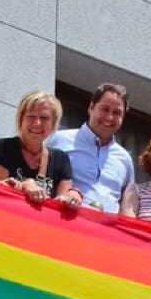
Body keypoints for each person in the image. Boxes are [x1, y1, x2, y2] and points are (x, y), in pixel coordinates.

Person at [0, 91, 83, 206]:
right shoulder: (4, 147)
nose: (37, 123)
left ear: (53, 123)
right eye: (31, 116)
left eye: (44, 118)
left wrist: (74, 195)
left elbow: (61, 206)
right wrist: (23, 186)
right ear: (21, 119)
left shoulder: (61, 159)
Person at [47, 83, 134, 212]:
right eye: (105, 109)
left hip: (105, 231)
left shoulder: (125, 159)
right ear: (91, 107)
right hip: (64, 224)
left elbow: (127, 207)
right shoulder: (59, 140)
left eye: (117, 113)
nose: (110, 117)